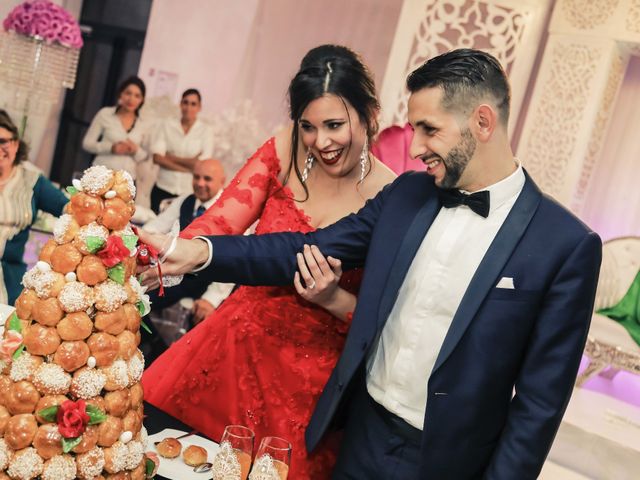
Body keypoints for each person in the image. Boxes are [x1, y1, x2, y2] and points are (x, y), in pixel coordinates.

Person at [140, 49, 603, 479]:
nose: (415, 146)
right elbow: (303, 248)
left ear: (482, 122)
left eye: (429, 129)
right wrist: (199, 252)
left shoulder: (563, 245)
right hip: (358, 437)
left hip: (448, 460)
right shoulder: (407, 196)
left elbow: (538, 407)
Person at [142, 44, 396, 479]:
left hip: (309, 383)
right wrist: (169, 254)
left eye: (335, 124)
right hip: (230, 352)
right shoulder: (285, 150)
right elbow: (220, 225)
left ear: (369, 112)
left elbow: (383, 319)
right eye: (309, 126)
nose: (321, 141)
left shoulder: (389, 195)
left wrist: (333, 297)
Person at [143, 159, 232, 317]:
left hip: (203, 280)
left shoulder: (231, 211)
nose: (200, 183)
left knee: (142, 300)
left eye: (207, 179)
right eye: (196, 177)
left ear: (222, 181)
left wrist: (211, 299)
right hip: (173, 272)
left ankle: (152, 339)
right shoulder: (186, 200)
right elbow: (156, 226)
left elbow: (232, 263)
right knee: (136, 293)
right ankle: (153, 339)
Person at [0, 110, 68, 304]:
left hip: (9, 278)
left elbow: (70, 209)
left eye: (3, 141)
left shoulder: (32, 181)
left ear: (15, 144)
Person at [149, 88, 215, 213]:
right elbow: (157, 158)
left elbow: (200, 165)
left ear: (199, 107)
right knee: (152, 229)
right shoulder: (166, 125)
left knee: (181, 231)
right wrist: (188, 167)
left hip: (188, 193)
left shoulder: (206, 131)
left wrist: (169, 157)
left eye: (193, 104)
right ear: (180, 104)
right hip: (162, 188)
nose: (188, 107)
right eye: (185, 102)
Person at [82, 75, 149, 180]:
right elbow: (87, 144)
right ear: (120, 94)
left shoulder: (144, 124)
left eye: (137, 96)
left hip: (126, 182)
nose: (131, 99)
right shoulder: (105, 114)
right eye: (128, 93)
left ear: (142, 100)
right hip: (101, 176)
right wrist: (111, 148)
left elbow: (145, 156)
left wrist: (135, 150)